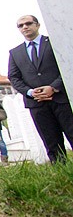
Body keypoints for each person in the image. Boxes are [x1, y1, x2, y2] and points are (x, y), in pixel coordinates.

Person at [8, 15, 73, 163]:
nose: (25, 27)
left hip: (61, 99)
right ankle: (61, 172)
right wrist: (30, 92)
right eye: (21, 25)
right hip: (37, 104)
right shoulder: (15, 53)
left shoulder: (53, 42)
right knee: (51, 141)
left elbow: (67, 66)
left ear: (37, 25)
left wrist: (53, 87)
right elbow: (14, 77)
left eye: (28, 23)